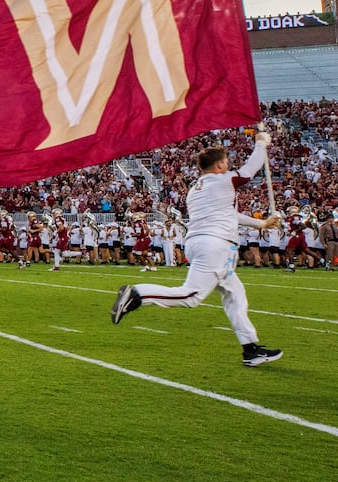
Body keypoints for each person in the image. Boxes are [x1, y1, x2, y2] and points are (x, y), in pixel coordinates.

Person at [111, 131, 284, 367]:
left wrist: (261, 223)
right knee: (191, 296)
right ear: (220, 164)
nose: (228, 164)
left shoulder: (197, 189)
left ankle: (251, 348)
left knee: (235, 295)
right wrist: (261, 144)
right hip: (216, 244)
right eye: (226, 161)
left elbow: (228, 214)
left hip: (205, 242)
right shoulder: (223, 180)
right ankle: (138, 294)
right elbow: (249, 171)